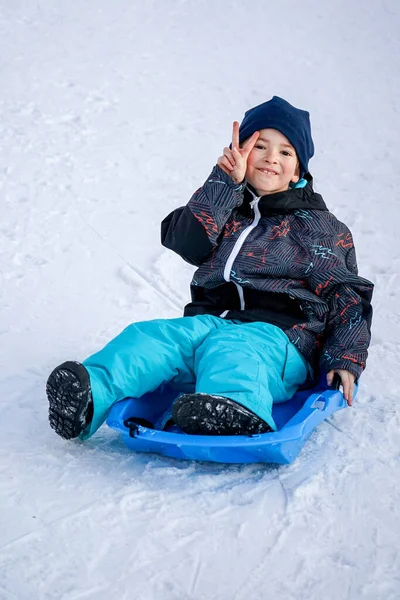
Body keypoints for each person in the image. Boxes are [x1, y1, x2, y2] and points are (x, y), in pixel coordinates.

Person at [46, 96, 374, 441]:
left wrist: (344, 357)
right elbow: (187, 241)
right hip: (211, 323)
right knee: (152, 337)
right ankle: (89, 396)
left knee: (234, 350)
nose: (271, 158)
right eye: (259, 146)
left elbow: (345, 295)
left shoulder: (319, 227)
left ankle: (233, 408)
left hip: (280, 341)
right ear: (239, 152)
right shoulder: (226, 207)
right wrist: (223, 184)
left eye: (286, 152)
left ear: (298, 172)